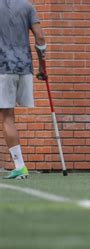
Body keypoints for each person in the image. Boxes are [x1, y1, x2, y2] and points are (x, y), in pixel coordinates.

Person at [0, 0, 46, 179]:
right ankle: (19, 165)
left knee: (7, 117)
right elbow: (40, 37)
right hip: (25, 68)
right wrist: (43, 66)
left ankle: (20, 166)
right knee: (9, 116)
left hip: (3, 68)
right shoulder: (27, 7)